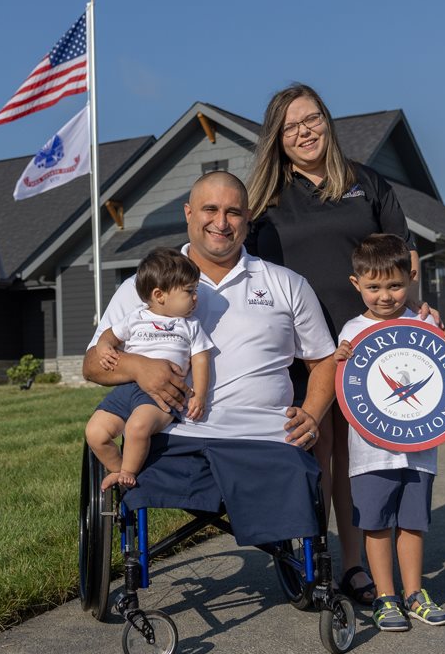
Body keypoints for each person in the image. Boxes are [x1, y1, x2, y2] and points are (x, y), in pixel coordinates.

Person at [246, 82, 435, 607]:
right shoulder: (263, 202)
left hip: (366, 349)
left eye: (312, 120)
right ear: (277, 139)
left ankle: (352, 567)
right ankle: (311, 561)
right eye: (290, 127)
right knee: (315, 455)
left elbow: (402, 263)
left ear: (327, 121)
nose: (304, 132)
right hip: (299, 348)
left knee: (356, 460)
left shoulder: (367, 183)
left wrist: (417, 313)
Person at [81, 171, 336, 548]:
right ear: (188, 213)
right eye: (210, 209)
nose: (221, 222)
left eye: (233, 212)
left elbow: (325, 360)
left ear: (248, 219)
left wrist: (312, 414)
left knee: (300, 469)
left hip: (263, 436)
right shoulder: (146, 284)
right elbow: (91, 364)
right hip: (174, 436)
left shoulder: (286, 283)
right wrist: (137, 366)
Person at [333, 233, 445, 631]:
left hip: (419, 449)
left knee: (413, 523)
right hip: (371, 451)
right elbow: (348, 383)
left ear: (410, 278)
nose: (385, 296)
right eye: (373, 287)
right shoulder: (352, 330)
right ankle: (385, 597)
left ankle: (414, 594)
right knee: (374, 523)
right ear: (357, 285)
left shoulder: (425, 324)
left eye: (394, 285)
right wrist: (341, 358)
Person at [86, 247, 213, 491]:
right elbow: (110, 335)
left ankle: (128, 474)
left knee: (137, 427)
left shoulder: (190, 326)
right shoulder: (136, 317)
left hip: (162, 398)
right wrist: (104, 347)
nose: (196, 297)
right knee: (95, 432)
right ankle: (117, 470)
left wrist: (200, 393)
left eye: (195, 290)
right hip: (127, 389)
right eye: (189, 291)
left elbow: (200, 360)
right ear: (159, 295)